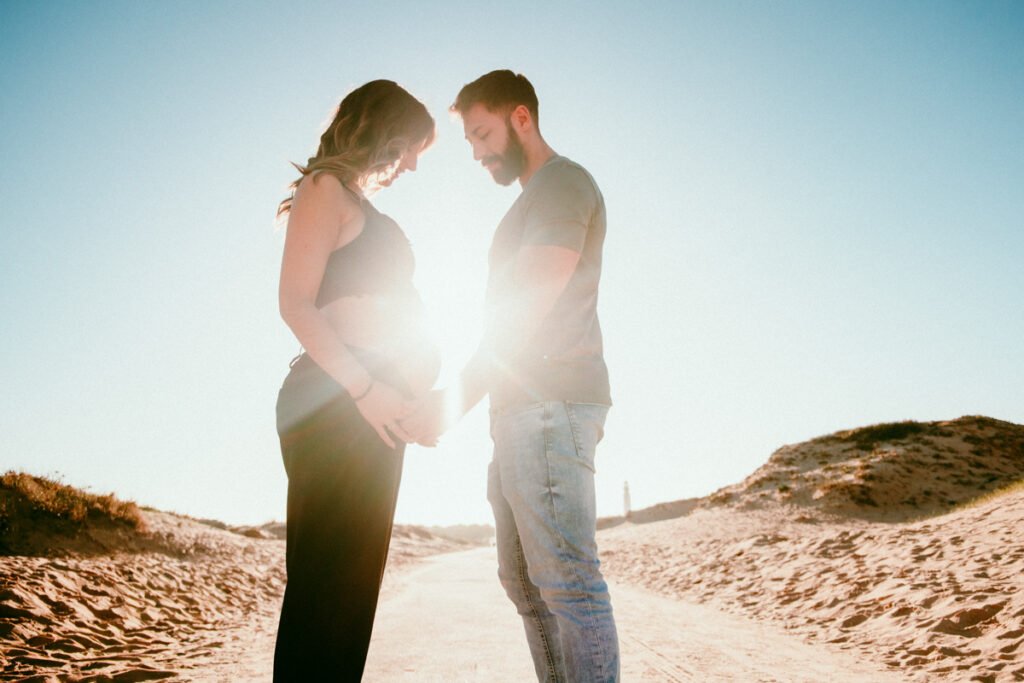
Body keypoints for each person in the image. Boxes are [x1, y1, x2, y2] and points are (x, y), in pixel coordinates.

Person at [404, 69, 619, 682]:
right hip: (520, 410)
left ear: (520, 117)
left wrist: (452, 403)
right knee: (524, 583)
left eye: (481, 134)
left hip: (551, 405)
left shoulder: (561, 184)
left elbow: (528, 304)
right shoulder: (532, 197)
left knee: (569, 586)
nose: (475, 152)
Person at [273, 80, 438, 681]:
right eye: (412, 145)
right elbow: (295, 304)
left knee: (353, 596)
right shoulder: (324, 189)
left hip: (377, 407)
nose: (414, 163)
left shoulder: (367, 210)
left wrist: (414, 398)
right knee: (325, 590)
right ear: (382, 128)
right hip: (335, 402)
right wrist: (367, 392)